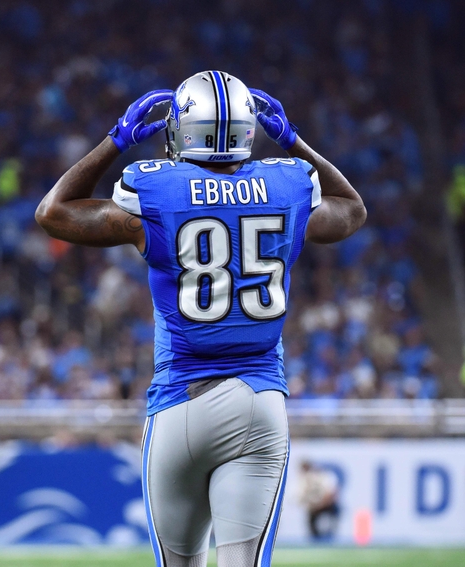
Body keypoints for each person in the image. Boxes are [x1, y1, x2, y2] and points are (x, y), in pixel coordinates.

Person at [35, 71, 366, 567]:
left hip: (179, 405)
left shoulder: (156, 193)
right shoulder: (287, 184)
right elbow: (352, 210)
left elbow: (52, 212)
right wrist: (297, 141)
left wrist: (115, 140)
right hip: (259, 401)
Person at [297, 460, 340, 541]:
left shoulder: (324, 477)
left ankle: (330, 537)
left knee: (331, 525)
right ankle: (314, 539)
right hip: (314, 507)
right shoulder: (303, 481)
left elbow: (331, 494)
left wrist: (321, 504)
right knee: (313, 530)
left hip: (327, 505)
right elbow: (300, 498)